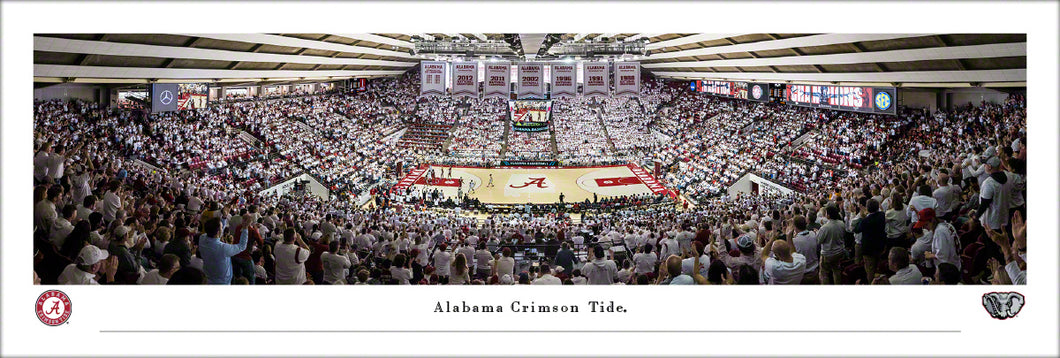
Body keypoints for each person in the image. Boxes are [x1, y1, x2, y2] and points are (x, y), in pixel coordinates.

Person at [198, 217, 249, 285]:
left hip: (208, 278)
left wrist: (224, 218)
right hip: (223, 282)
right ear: (218, 232)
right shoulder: (223, 248)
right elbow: (242, 246)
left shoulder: (202, 239)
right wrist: (245, 228)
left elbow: (217, 232)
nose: (223, 228)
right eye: (222, 227)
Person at [853, 199, 886, 283]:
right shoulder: (882, 215)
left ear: (867, 209)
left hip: (869, 249)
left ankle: (872, 283)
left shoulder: (865, 221)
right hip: (880, 245)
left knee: (870, 269)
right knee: (878, 266)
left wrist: (862, 217)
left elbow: (856, 229)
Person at [817, 204, 847, 284]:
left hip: (827, 254)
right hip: (839, 251)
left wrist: (817, 232)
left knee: (824, 273)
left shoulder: (825, 227)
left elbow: (819, 241)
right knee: (836, 271)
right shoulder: (841, 223)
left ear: (828, 215)